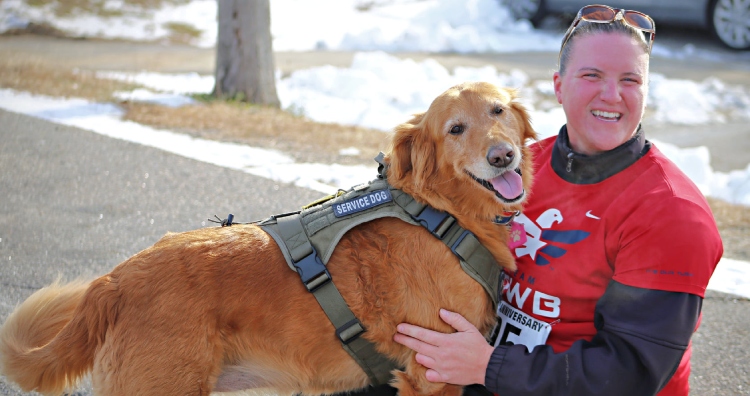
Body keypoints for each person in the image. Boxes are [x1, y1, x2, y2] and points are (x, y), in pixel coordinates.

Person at [391, 4, 723, 396]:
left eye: (630, 80)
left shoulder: (671, 214)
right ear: (559, 85)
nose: (612, 95)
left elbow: (630, 374)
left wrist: (489, 366)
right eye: (592, 75)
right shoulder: (521, 168)